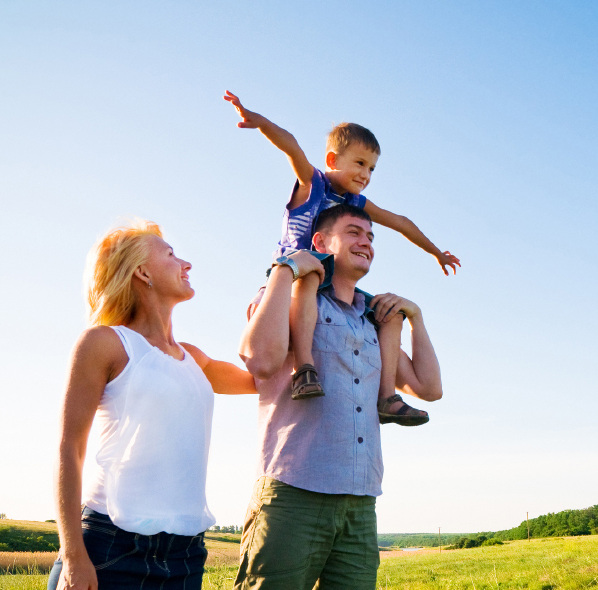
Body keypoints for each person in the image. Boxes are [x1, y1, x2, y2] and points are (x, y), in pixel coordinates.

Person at [49, 219, 268, 590]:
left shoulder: (194, 359)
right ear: (142, 271)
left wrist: (274, 301)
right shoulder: (105, 343)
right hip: (110, 544)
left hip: (184, 554)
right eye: (171, 254)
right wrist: (73, 555)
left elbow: (266, 379)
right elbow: (69, 449)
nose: (186, 264)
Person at [234, 204, 444, 590]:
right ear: (320, 242)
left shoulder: (374, 321)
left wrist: (416, 316)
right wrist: (286, 270)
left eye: (370, 236)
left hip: (361, 502)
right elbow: (260, 360)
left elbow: (430, 389)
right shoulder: (289, 296)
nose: (365, 241)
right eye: (353, 232)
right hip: (294, 493)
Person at [224, 90, 454, 426]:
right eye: (360, 163)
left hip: (331, 280)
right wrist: (259, 122)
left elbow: (400, 222)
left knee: (388, 314)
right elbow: (292, 145)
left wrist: (435, 252)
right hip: (297, 270)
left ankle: (387, 396)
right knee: (312, 273)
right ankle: (305, 368)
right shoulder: (313, 182)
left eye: (372, 168)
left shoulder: (357, 203)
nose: (366, 174)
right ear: (333, 160)